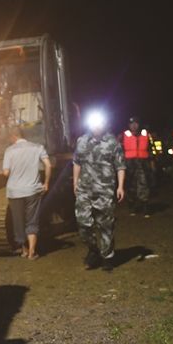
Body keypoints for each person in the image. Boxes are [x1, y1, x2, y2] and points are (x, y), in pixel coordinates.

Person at [73, 116, 126, 270]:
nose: (96, 127)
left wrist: (120, 186)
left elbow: (120, 166)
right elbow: (76, 162)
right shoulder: (81, 141)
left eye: (99, 123)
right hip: (84, 189)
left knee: (105, 225)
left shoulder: (113, 142)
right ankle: (93, 250)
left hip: (105, 190)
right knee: (83, 223)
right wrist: (75, 182)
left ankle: (107, 257)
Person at [2, 126, 52, 260]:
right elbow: (48, 165)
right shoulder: (37, 147)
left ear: (13, 137)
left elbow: (6, 172)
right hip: (32, 190)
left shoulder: (9, 151)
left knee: (18, 221)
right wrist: (46, 183)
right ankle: (32, 252)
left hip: (15, 192)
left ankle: (23, 250)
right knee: (32, 221)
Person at [120, 116, 152, 217]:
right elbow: (119, 150)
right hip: (129, 163)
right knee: (130, 185)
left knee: (144, 184)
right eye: (131, 124)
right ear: (128, 125)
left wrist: (152, 162)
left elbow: (150, 149)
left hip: (143, 162)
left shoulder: (145, 134)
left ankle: (145, 207)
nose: (134, 125)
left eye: (136, 123)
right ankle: (132, 207)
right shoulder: (123, 135)